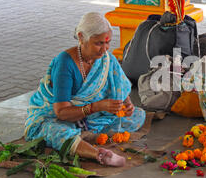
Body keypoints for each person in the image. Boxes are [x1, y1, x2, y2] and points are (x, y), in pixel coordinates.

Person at [24, 12, 146, 166]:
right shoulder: (64, 63)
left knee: (137, 115)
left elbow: (120, 88)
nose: (104, 49)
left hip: (89, 119)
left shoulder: (107, 60)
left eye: (107, 43)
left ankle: (84, 135)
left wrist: (127, 104)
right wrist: (96, 107)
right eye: (99, 43)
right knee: (56, 131)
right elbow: (61, 113)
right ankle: (98, 154)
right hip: (57, 117)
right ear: (81, 37)